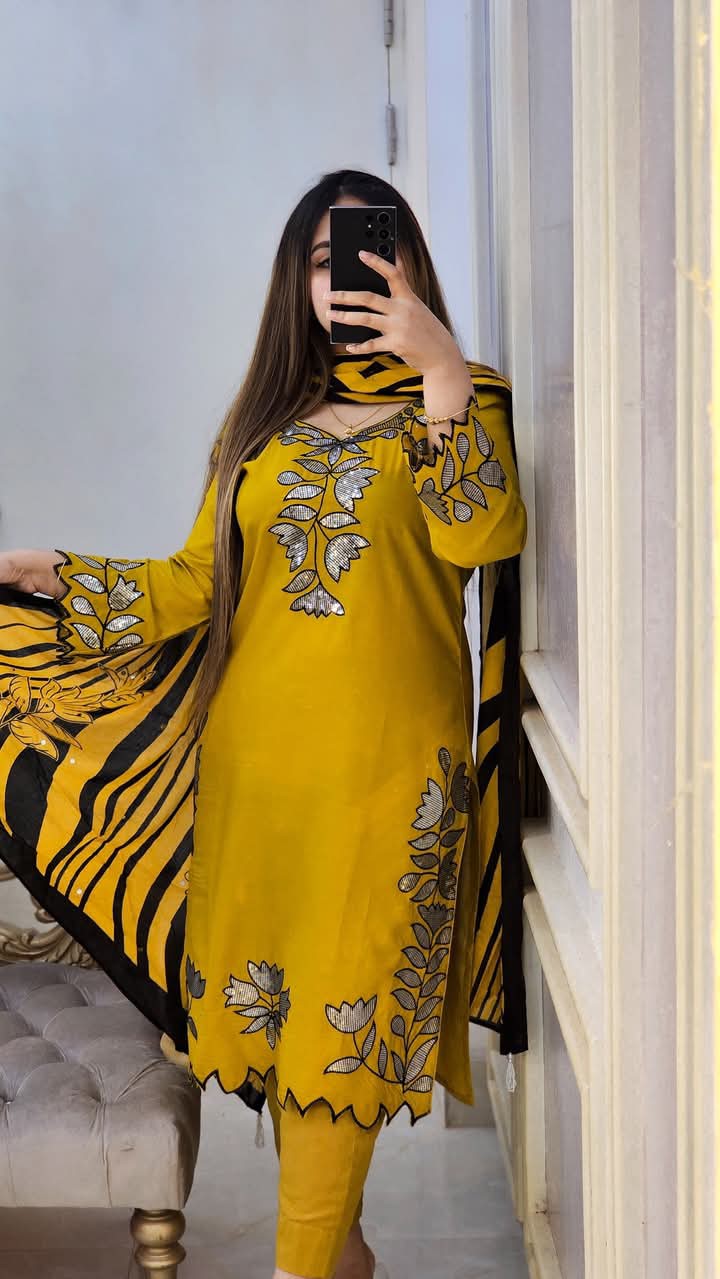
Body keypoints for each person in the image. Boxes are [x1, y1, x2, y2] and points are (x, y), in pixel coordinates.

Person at [0, 168, 528, 1279]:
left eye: (371, 254)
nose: (347, 279)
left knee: (343, 1040)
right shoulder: (261, 427)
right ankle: (340, 1255)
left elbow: (481, 538)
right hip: (257, 783)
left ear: (409, 265)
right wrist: (60, 574)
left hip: (393, 785)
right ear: (296, 280)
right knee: (291, 1038)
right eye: (325, 260)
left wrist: (438, 366)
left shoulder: (466, 396)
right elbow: (196, 584)